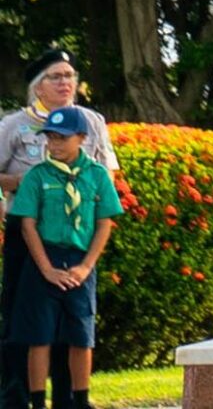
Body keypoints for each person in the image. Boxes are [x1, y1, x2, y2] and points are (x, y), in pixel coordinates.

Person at [1, 50, 114, 409]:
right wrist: (22, 182)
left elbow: (107, 170)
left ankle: (70, 398)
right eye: (56, 76)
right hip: (28, 230)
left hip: (77, 231)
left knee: (73, 318)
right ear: (38, 86)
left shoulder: (91, 121)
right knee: (24, 318)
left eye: (70, 75)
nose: (66, 82)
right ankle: (18, 395)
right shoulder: (15, 125)